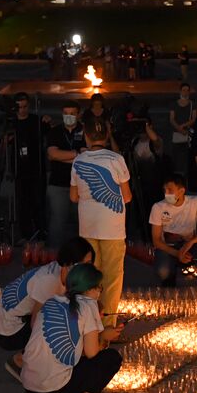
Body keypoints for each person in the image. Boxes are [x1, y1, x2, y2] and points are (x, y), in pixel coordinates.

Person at [21, 263, 123, 393]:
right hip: (53, 389)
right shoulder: (88, 305)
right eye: (99, 288)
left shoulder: (53, 300)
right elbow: (92, 354)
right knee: (111, 358)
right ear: (89, 289)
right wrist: (105, 336)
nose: (99, 292)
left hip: (28, 385)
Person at [0, 237, 94, 379]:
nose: (86, 269)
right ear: (68, 263)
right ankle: (20, 361)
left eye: (89, 264)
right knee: (58, 326)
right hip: (8, 331)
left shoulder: (65, 273)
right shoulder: (50, 281)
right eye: (81, 264)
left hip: (16, 319)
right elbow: (36, 323)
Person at [71, 118, 131, 326]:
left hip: (87, 225)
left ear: (86, 136)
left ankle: (88, 321)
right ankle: (108, 324)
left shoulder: (79, 160)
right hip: (112, 227)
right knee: (112, 276)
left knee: (89, 274)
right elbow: (128, 196)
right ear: (107, 135)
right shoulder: (116, 159)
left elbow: (73, 196)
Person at [150, 175, 197, 288]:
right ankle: (169, 281)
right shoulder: (158, 207)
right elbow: (156, 240)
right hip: (169, 248)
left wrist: (191, 242)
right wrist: (178, 253)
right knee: (163, 271)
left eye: (170, 190)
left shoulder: (194, 201)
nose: (166, 193)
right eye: (164, 190)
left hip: (190, 245)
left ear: (181, 191)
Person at [44, 102, 85, 248]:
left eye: (72, 113)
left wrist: (63, 157)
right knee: (57, 222)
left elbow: (89, 156)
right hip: (58, 184)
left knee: (82, 221)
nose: (69, 116)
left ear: (78, 114)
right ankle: (54, 255)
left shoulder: (85, 131)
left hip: (81, 185)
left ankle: (81, 254)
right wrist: (77, 154)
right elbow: (52, 154)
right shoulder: (55, 132)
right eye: (66, 113)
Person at [5, 92, 45, 242]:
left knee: (38, 202)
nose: (22, 110)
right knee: (22, 203)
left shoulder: (36, 120)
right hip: (19, 169)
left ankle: (40, 232)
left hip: (35, 168)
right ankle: (25, 234)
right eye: (19, 107)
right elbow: (2, 144)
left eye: (25, 106)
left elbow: (48, 132)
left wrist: (46, 121)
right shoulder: (12, 123)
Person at [169, 83, 194, 175]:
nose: (186, 92)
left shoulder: (192, 104)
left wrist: (182, 126)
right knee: (176, 157)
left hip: (185, 133)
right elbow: (171, 119)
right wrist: (181, 129)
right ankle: (177, 174)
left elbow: (193, 118)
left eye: (187, 90)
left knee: (186, 157)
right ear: (180, 91)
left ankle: (185, 174)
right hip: (179, 133)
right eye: (184, 90)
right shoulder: (174, 104)